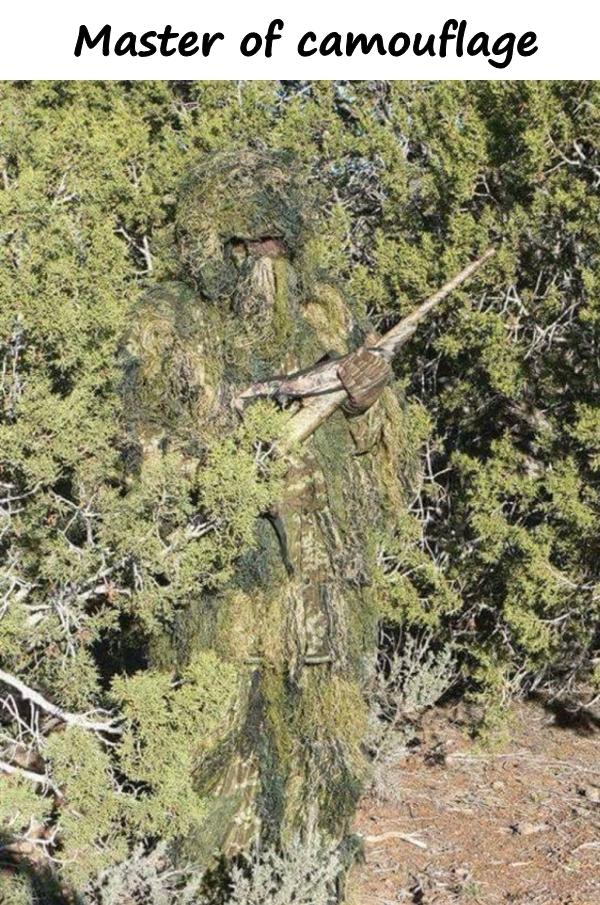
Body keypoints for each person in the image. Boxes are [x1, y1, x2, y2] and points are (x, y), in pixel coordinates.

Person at [121, 150, 418, 869]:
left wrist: (368, 399)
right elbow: (130, 443)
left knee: (320, 747)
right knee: (218, 751)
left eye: (279, 245)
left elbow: (383, 451)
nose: (266, 258)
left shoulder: (327, 314)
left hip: (322, 585)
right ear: (213, 242)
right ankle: (212, 877)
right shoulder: (166, 321)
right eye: (249, 244)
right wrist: (225, 476)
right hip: (224, 591)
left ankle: (306, 873)